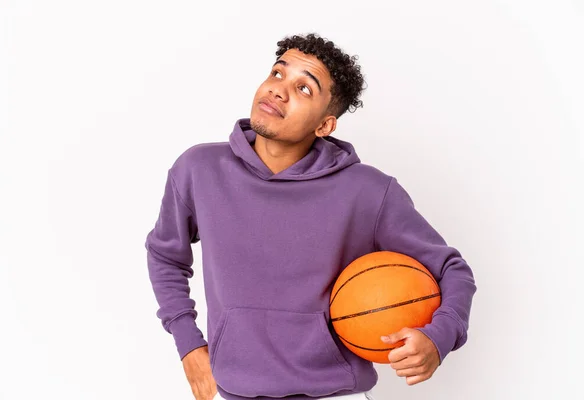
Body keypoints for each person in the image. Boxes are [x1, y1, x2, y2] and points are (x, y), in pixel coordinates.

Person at [144, 33, 477, 400]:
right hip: (234, 392)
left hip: (336, 395)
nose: (278, 90)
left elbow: (451, 269)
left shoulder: (368, 192)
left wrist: (439, 336)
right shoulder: (199, 170)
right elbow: (165, 255)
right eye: (277, 73)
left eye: (304, 88)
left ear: (325, 126)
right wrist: (189, 344)